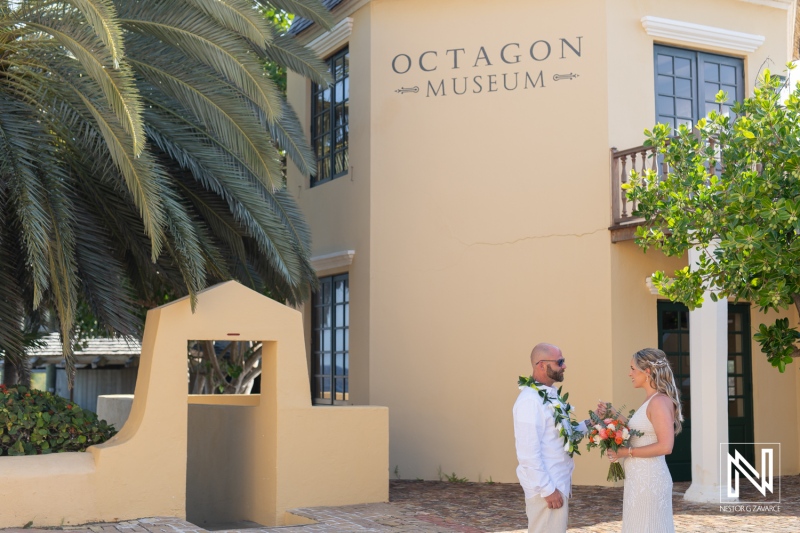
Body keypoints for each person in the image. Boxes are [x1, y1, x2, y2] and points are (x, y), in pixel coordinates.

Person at [513, 343, 592, 533]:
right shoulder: (530, 401)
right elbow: (527, 454)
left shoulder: (550, 396)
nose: (564, 366)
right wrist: (548, 490)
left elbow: (564, 436)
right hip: (546, 489)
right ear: (541, 365)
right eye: (560, 362)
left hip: (557, 482)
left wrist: (592, 422)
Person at [604, 348, 683, 533]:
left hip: (649, 479)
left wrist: (626, 452)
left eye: (633, 368)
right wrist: (612, 413)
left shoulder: (659, 401)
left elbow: (666, 446)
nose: (629, 373)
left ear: (647, 371)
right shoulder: (651, 399)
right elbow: (640, 433)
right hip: (639, 479)